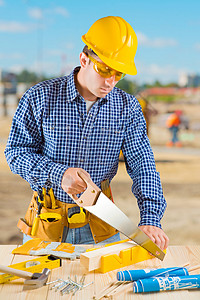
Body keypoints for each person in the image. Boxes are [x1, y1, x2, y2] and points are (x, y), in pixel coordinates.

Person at [5, 16, 169, 250]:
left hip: (102, 227)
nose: (110, 81)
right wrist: (58, 174)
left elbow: (143, 165)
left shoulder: (128, 108)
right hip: (46, 226)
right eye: (105, 69)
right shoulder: (39, 97)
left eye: (119, 73)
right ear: (84, 59)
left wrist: (151, 219)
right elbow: (16, 153)